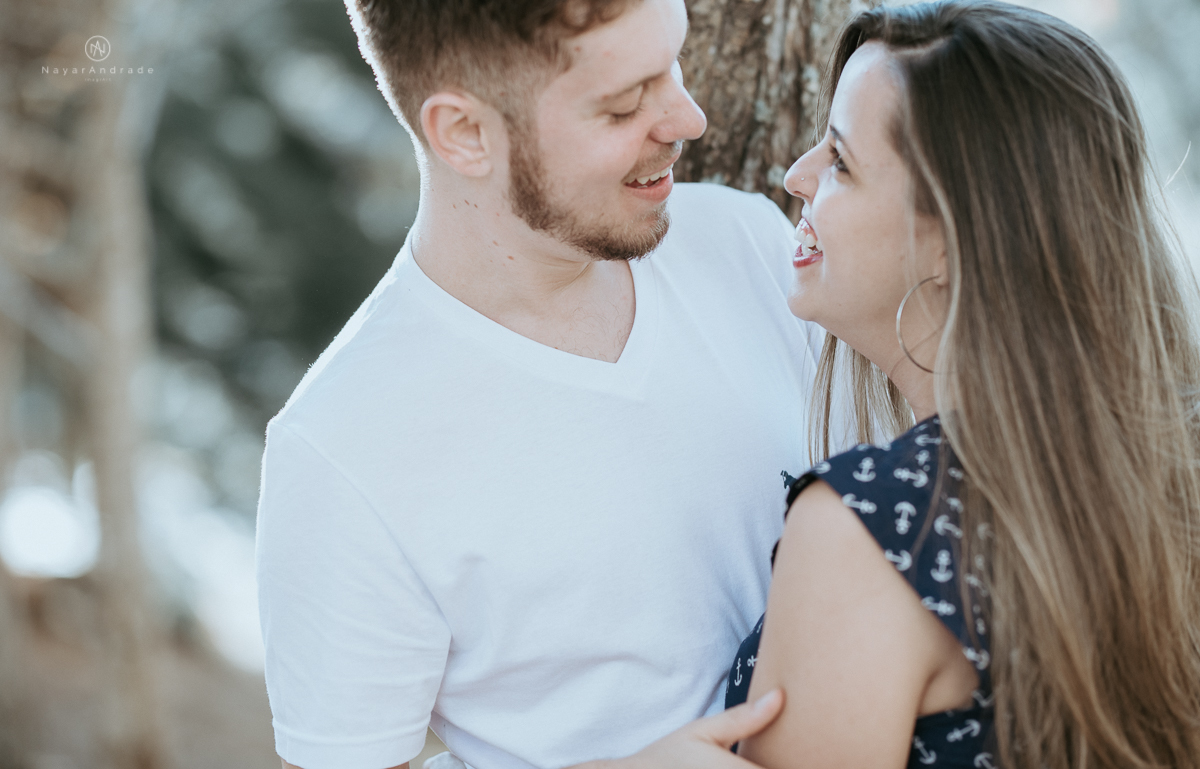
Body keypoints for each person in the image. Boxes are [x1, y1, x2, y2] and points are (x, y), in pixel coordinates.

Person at [254, 1, 833, 768]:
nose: (687, 119)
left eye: (674, 64)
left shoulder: (748, 242)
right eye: (624, 104)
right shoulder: (340, 451)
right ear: (464, 133)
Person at [709, 3, 1200, 769]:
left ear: (949, 239)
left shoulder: (871, 528)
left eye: (841, 162)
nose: (796, 175)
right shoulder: (1166, 472)